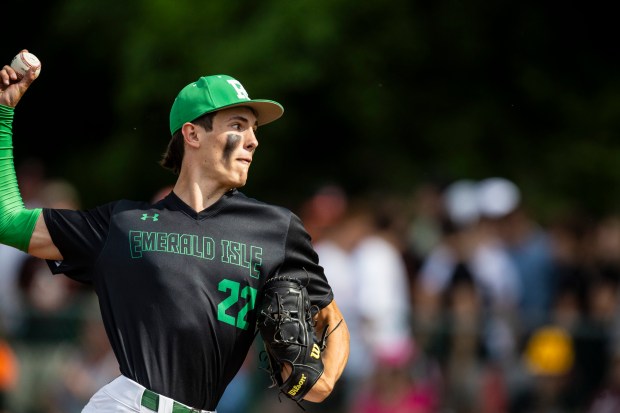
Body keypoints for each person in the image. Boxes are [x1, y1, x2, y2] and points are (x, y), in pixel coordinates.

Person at [0, 50, 350, 412]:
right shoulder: (123, 224)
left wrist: (323, 379)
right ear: (192, 133)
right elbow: (6, 221)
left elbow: (330, 316)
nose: (252, 140)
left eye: (254, 129)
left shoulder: (276, 229)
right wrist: (2, 114)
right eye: (238, 125)